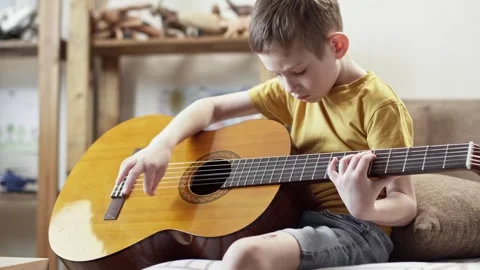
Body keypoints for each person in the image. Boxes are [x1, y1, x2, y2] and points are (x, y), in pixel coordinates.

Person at [115, 0, 418, 269]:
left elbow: (405, 204)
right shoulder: (291, 92)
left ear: (336, 46)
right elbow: (209, 107)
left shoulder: (380, 106)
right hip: (298, 218)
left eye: (298, 71)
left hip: (358, 230)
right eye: (277, 75)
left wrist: (366, 207)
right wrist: (162, 144)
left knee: (243, 255)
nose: (288, 87)